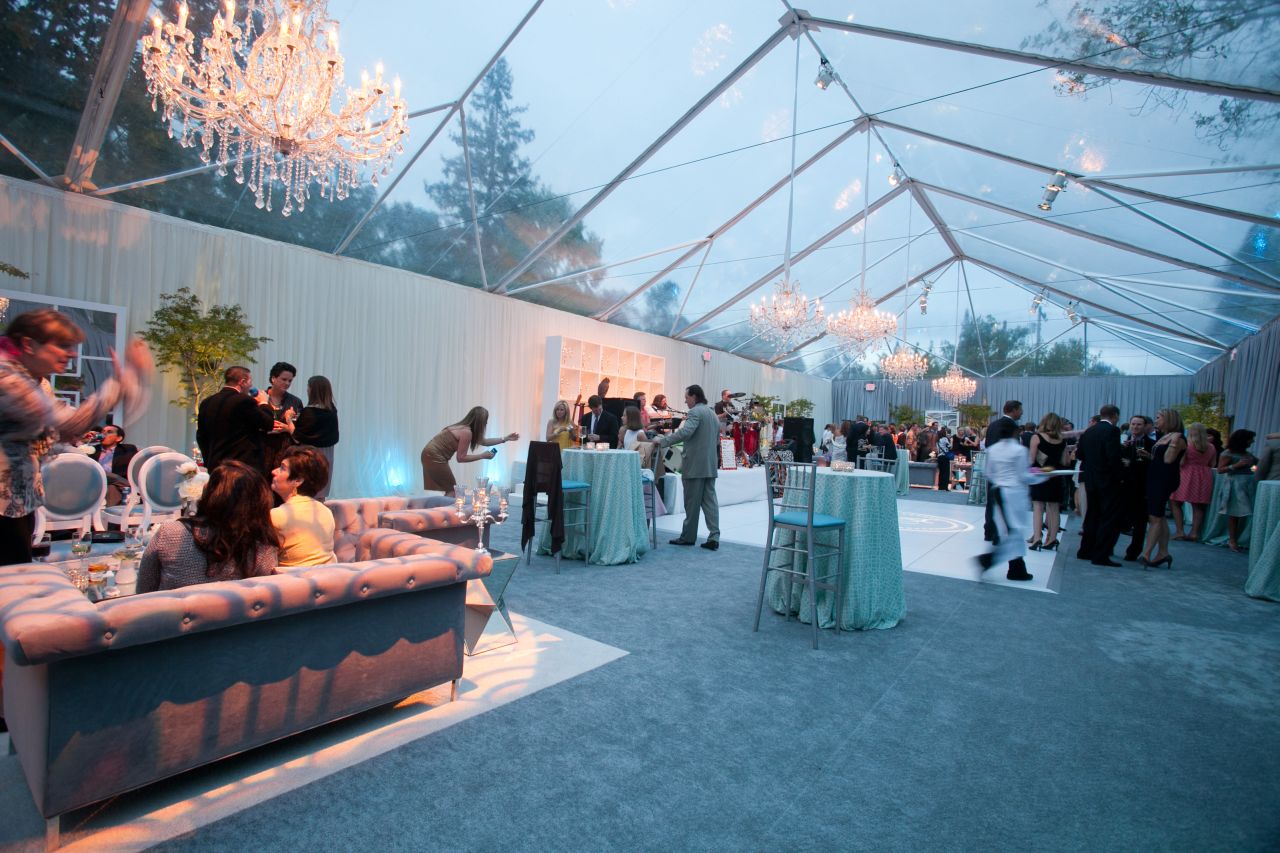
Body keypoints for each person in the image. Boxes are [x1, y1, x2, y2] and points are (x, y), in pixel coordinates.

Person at [0, 309, 153, 565]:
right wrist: (122, 381)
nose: (71, 354)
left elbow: (63, 430)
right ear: (28, 344)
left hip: (18, 502)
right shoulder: (7, 378)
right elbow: (68, 423)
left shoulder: (37, 382)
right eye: (62, 346)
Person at [137, 461, 280, 592]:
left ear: (209, 493)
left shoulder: (170, 533)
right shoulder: (262, 547)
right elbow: (265, 599)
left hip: (169, 612)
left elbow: (143, 592)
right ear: (259, 503)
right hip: (236, 613)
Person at [976, 417, 1046, 582]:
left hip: (998, 492)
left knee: (1009, 531)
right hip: (1014, 494)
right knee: (1015, 531)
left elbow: (989, 473)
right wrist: (1042, 476)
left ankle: (1015, 567)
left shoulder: (992, 449)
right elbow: (1023, 476)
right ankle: (990, 561)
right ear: (1016, 432)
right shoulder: (1019, 450)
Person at [655, 385, 720, 550]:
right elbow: (716, 440)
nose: (685, 401)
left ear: (694, 396)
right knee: (710, 502)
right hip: (710, 465)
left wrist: (663, 441)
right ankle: (714, 537)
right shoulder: (712, 414)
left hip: (694, 465)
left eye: (687, 397)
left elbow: (685, 432)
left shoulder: (695, 412)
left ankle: (688, 537)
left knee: (691, 503)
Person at [196, 365, 277, 476]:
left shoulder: (207, 402)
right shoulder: (244, 401)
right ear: (242, 382)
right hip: (240, 466)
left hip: (215, 465)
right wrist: (264, 403)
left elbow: (201, 436)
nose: (251, 386)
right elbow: (267, 424)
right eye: (250, 382)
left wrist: (209, 460)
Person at [421, 406, 519, 494]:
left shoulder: (462, 427)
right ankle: (445, 508)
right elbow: (461, 458)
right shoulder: (466, 432)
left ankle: (442, 507)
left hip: (428, 454)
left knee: (450, 489)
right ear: (480, 422)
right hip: (434, 456)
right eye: (485, 421)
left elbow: (484, 442)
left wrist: (505, 438)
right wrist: (482, 456)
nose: (486, 423)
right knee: (452, 490)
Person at [270, 446, 336, 567]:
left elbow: (263, 564)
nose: (274, 471)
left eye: (282, 468)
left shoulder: (276, 516)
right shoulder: (326, 511)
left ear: (298, 480)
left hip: (290, 578)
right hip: (331, 576)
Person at [1076, 404, 1125, 567]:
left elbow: (1080, 454)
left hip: (1091, 479)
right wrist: (1120, 475)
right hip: (1108, 481)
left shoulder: (1089, 431)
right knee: (1108, 517)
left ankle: (1085, 550)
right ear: (1115, 415)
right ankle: (1101, 554)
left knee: (1092, 515)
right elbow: (1113, 457)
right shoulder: (1112, 431)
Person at [1138, 409, 1187, 568]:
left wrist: (1173, 442)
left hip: (1164, 479)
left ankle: (1146, 553)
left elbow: (1168, 459)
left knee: (1155, 516)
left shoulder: (1178, 438)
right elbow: (1159, 458)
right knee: (1159, 516)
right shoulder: (1164, 436)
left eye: (1159, 418)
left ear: (1169, 419)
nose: (1156, 420)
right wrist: (1148, 455)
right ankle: (1163, 552)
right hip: (1155, 477)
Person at [289, 375, 340, 500]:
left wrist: (288, 421)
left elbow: (297, 437)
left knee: (306, 491)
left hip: (310, 455)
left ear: (312, 390)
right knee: (321, 490)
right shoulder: (332, 411)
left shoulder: (309, 412)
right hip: (327, 455)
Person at [1027, 413, 1070, 550]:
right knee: (1054, 509)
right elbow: (1065, 461)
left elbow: (1031, 459)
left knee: (1038, 508)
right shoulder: (1062, 440)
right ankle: (1052, 539)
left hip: (1040, 476)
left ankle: (1037, 538)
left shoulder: (1037, 437)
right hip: (1055, 477)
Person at [984, 401, 1023, 542]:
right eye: (1020, 410)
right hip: (1007, 472)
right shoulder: (1012, 426)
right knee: (1004, 504)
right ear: (1014, 410)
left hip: (993, 469)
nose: (1022, 413)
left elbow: (987, 445)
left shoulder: (992, 425)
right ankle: (999, 534)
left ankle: (989, 531)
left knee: (991, 501)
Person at [1119, 415, 1157, 561]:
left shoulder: (1152, 444)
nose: (1135, 427)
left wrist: (1136, 462)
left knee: (1140, 521)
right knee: (1118, 518)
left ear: (1145, 426)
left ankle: (1133, 551)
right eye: (1133, 424)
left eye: (1139, 424)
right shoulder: (1125, 442)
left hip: (1141, 486)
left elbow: (1154, 465)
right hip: (1124, 485)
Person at [1170, 422, 1217, 541]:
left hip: (1187, 474)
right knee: (1198, 505)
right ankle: (1194, 532)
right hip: (1204, 475)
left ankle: (1180, 531)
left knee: (1175, 501)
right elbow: (1212, 464)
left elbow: (1181, 462)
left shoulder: (1187, 445)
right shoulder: (1211, 447)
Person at [1217, 429, 1258, 553]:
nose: (1252, 441)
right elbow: (1220, 470)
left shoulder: (1248, 454)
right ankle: (1232, 540)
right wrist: (1235, 465)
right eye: (1250, 439)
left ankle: (1241, 538)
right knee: (1234, 513)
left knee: (1245, 513)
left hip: (1248, 484)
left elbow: (1256, 466)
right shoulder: (1228, 453)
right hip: (1235, 484)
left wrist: (1254, 468)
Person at [262, 361, 304, 478]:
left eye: (290, 381)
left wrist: (286, 427)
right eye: (284, 379)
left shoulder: (295, 402)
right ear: (273, 378)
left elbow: (300, 432)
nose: (287, 383)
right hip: (261, 452)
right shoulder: (259, 398)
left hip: (284, 455)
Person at [89, 423, 139, 506]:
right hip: (97, 482)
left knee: (111, 486)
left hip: (116, 483)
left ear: (118, 438)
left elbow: (138, 462)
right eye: (102, 431)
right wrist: (86, 439)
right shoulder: (92, 450)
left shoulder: (127, 449)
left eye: (109, 432)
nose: (104, 434)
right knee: (105, 479)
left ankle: (108, 512)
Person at [620, 405, 664, 478]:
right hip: (626, 463)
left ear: (631, 418)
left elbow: (647, 452)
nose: (622, 417)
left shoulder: (640, 434)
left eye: (624, 415)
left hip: (635, 467)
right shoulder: (627, 431)